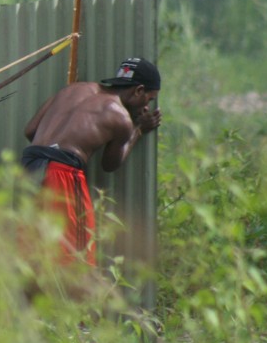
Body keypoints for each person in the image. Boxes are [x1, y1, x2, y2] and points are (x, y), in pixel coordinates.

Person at [21, 57, 162, 270]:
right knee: (77, 258)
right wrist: (138, 130)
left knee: (33, 250)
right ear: (138, 90)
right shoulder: (121, 117)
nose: (146, 106)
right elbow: (110, 163)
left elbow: (30, 130)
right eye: (149, 99)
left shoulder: (73, 89)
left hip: (29, 166)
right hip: (62, 173)